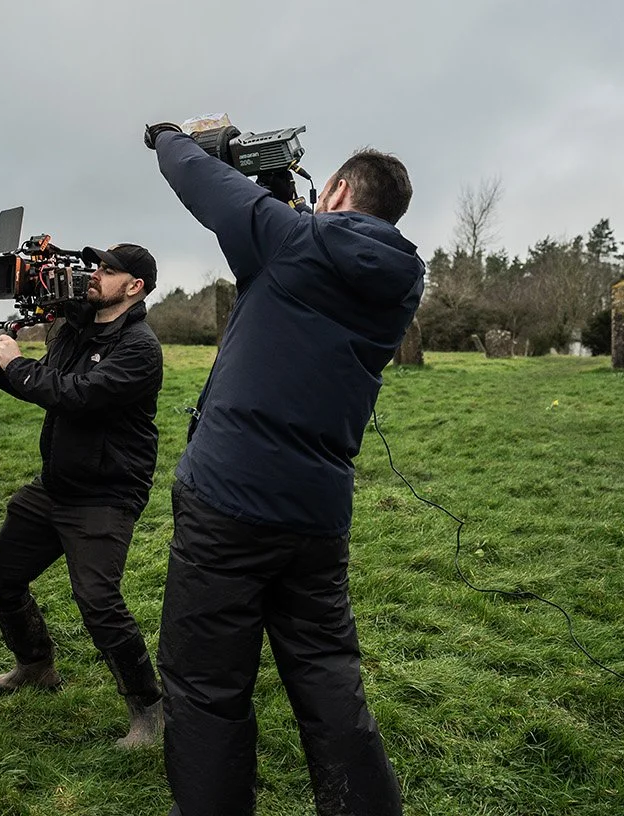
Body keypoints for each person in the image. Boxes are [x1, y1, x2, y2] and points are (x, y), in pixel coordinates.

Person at [145, 122, 424, 815]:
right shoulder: (399, 284)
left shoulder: (294, 241)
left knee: (208, 687)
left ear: (332, 190)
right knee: (329, 677)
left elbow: (207, 187)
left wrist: (170, 138)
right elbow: (305, 270)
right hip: (317, 514)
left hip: (227, 503)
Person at [0, 243, 165, 748]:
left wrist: (18, 365)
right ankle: (35, 666)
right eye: (95, 266)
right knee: (0, 574)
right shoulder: (78, 329)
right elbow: (42, 386)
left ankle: (149, 709)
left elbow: (76, 396)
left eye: (107, 270)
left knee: (99, 602)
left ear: (134, 286)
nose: (93, 275)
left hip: (106, 493)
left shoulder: (140, 347)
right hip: (56, 485)